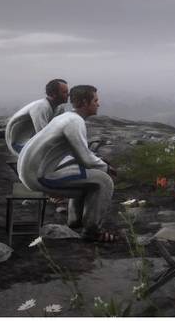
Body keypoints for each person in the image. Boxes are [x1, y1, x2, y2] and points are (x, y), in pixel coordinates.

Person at [17, 85, 119, 242]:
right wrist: (106, 167)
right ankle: (92, 232)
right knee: (104, 181)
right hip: (39, 175)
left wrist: (97, 162)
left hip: (30, 171)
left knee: (87, 177)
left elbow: (79, 155)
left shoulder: (64, 118)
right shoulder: (75, 122)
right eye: (95, 100)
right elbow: (85, 157)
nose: (98, 104)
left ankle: (75, 221)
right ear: (85, 102)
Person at [5, 79, 69, 156]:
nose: (68, 95)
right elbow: (43, 134)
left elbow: (60, 128)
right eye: (64, 92)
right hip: (20, 144)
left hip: (33, 141)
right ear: (53, 94)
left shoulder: (60, 107)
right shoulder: (40, 107)